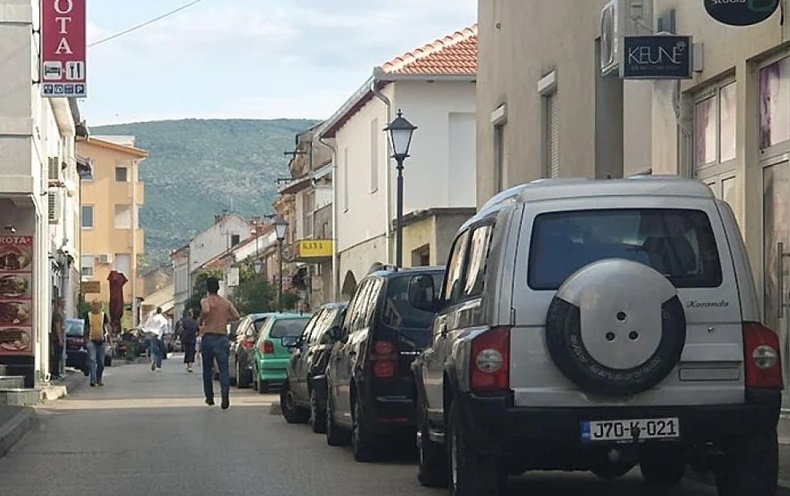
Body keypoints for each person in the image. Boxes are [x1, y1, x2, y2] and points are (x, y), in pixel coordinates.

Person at [198, 277, 240, 410]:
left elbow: (205, 310)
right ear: (218, 288)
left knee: (207, 369)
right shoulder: (226, 302)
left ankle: (209, 397)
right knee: (223, 369)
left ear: (207, 288)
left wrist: (201, 320)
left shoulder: (206, 300)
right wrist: (225, 318)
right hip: (222, 338)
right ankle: (225, 395)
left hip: (209, 336)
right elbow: (237, 316)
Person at [83, 300, 110, 387]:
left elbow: (107, 327)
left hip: (101, 341)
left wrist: (109, 338)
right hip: (91, 341)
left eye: (97, 305)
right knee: (92, 360)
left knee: (101, 362)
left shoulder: (103, 315)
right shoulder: (88, 316)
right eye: (94, 305)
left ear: (100, 306)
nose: (95, 306)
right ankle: (93, 379)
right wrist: (85, 340)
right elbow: (86, 328)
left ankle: (99, 379)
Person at [144, 307, 169, 372]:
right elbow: (165, 329)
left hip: (153, 335)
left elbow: (146, 326)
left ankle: (153, 360)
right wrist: (166, 337)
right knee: (160, 350)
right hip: (160, 335)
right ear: (161, 311)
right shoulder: (163, 319)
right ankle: (158, 366)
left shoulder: (152, 318)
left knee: (153, 350)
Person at [50, 298, 65, 380]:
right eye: (63, 302)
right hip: (56, 338)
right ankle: (55, 373)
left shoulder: (60, 313)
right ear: (60, 303)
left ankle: (57, 372)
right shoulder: (57, 314)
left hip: (59, 338)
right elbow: (57, 326)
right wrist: (60, 339)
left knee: (58, 356)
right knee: (56, 356)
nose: (65, 304)